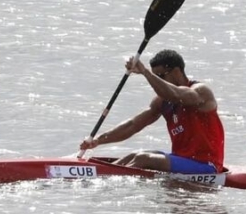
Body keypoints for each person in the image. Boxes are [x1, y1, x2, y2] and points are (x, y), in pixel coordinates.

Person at [79, 49, 225, 173]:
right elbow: (133, 125)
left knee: (143, 159)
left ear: (176, 72)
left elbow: (176, 95)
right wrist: (98, 140)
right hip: (181, 159)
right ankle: (99, 173)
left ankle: (106, 180)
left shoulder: (201, 92)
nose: (156, 81)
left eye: (160, 76)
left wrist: (145, 72)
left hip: (206, 164)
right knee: (134, 155)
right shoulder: (162, 101)